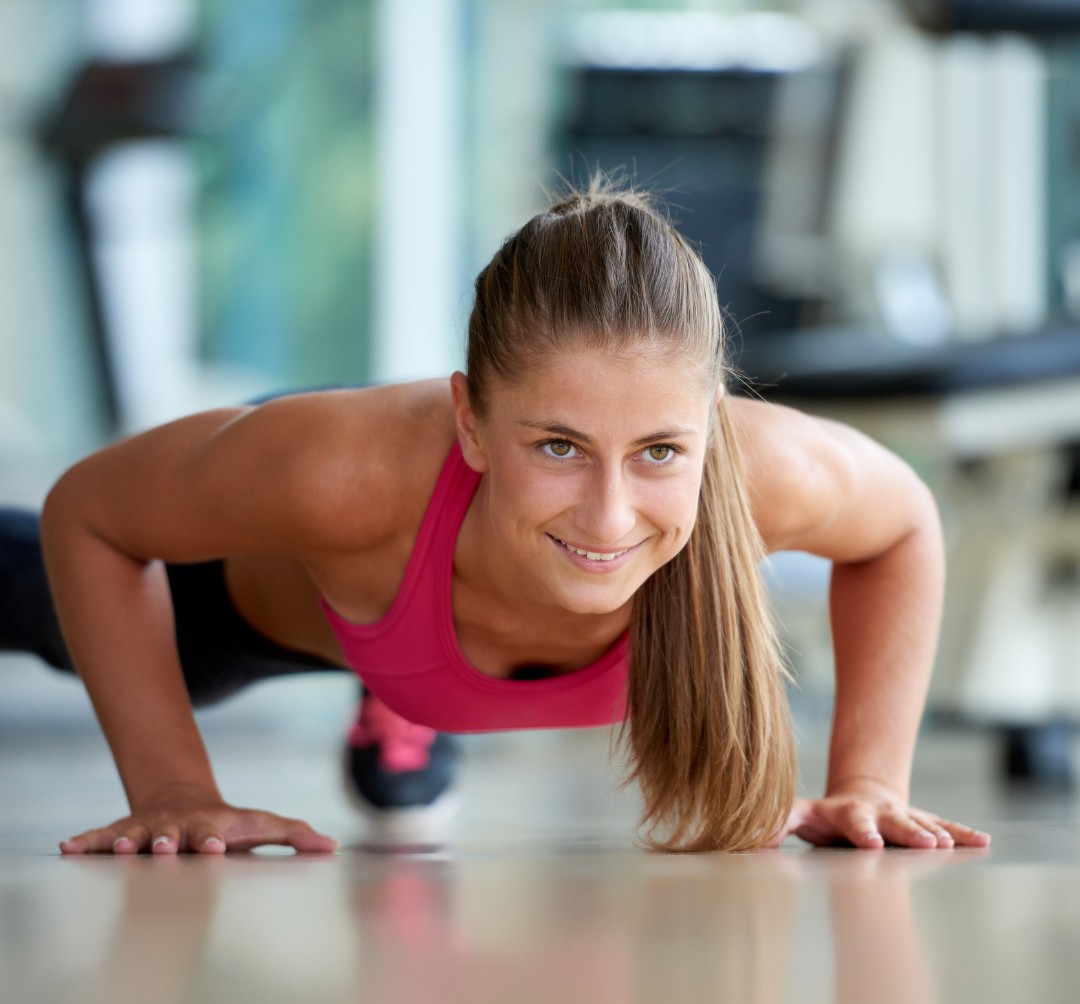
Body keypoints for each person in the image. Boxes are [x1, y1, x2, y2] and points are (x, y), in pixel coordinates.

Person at [0, 178, 990, 855]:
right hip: (320, 564)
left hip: (435, 563)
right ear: (471, 422)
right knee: (52, 613)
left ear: (709, 428)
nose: (611, 516)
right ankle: (398, 681)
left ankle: (410, 698)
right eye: (558, 446)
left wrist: (871, 781)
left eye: (659, 452)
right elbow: (90, 512)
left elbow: (904, 522)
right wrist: (172, 786)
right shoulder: (336, 474)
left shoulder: (763, 469)